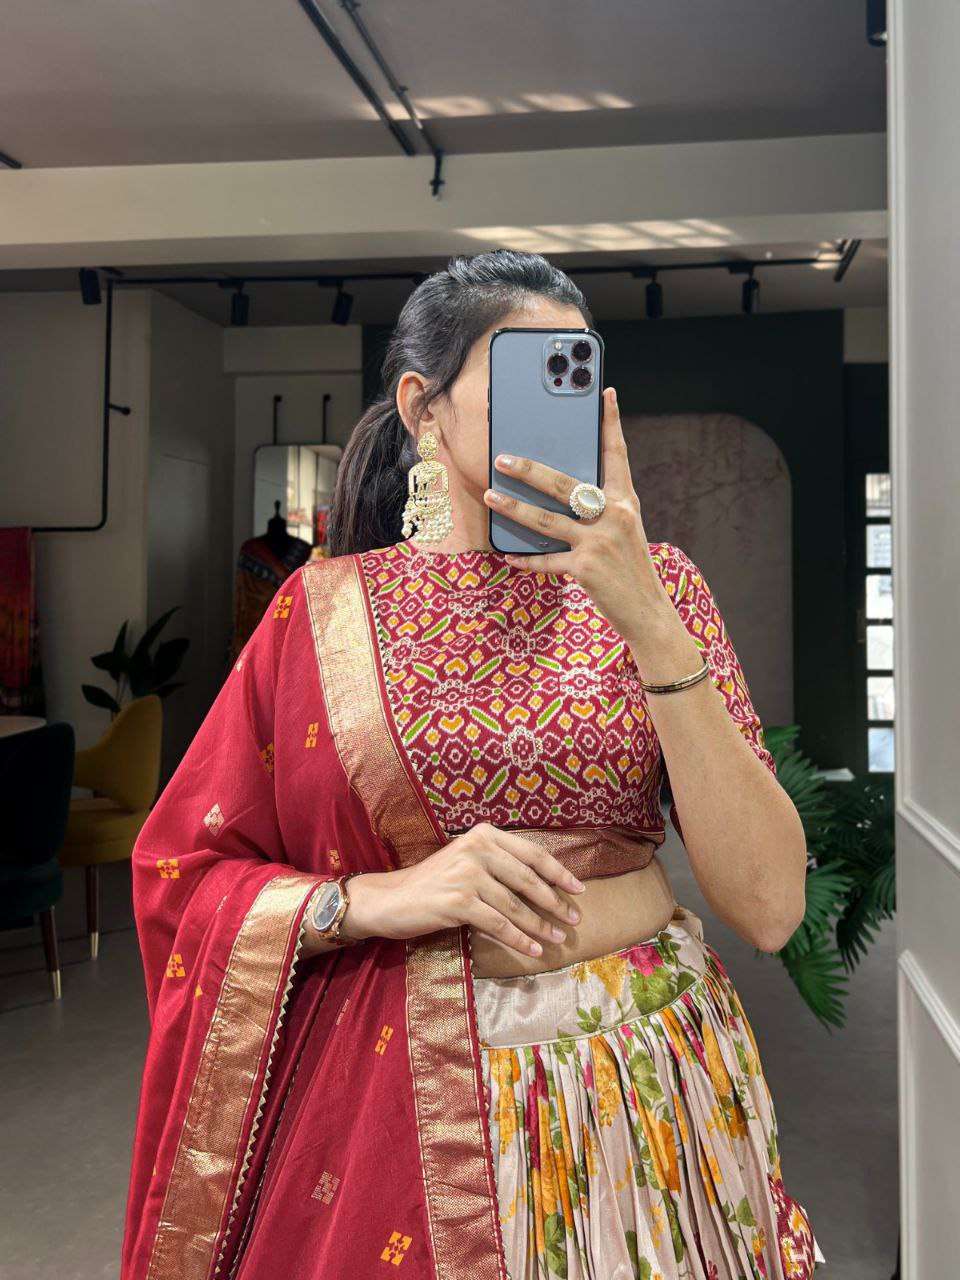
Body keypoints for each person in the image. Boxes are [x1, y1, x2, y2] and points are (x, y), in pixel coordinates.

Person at [120, 249, 825, 1279]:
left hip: (647, 1081)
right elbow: (184, 868)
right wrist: (372, 900)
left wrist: (645, 617)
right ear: (424, 408)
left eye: (574, 378)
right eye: (525, 380)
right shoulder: (321, 613)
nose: (555, 414)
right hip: (403, 1096)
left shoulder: (663, 589)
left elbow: (769, 907)